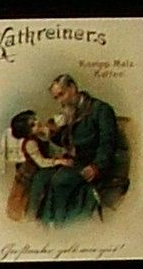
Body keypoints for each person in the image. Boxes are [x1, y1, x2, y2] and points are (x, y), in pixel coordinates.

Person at [48, 72, 130, 216]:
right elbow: (66, 140)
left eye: (62, 94)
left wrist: (97, 166)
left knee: (59, 181)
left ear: (73, 88)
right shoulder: (71, 112)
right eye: (56, 98)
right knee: (42, 177)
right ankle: (52, 226)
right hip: (76, 163)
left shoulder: (101, 109)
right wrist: (50, 133)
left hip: (95, 166)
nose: (60, 101)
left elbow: (107, 143)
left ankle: (63, 227)